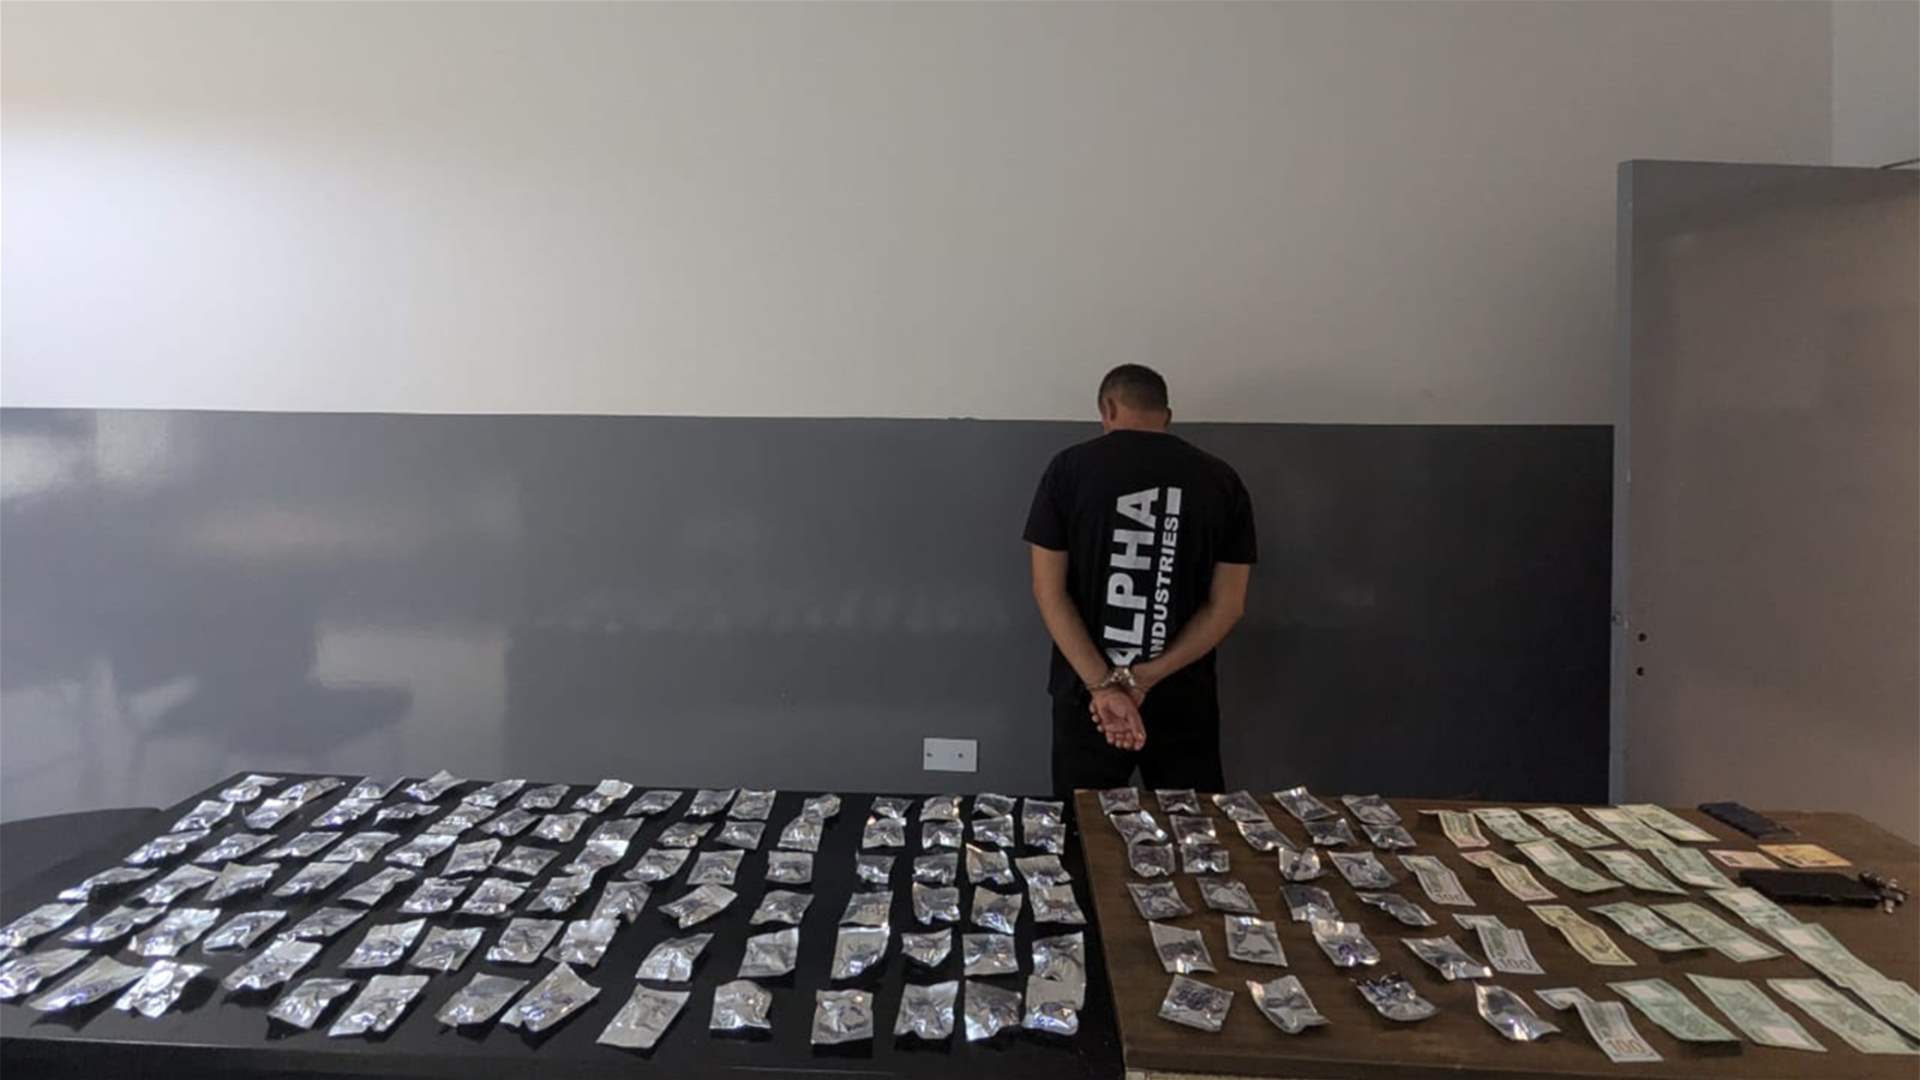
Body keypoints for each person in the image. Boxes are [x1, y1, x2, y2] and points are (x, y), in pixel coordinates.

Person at [1024, 364, 1257, 797]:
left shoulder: (1068, 470)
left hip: (1089, 699)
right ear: (1166, 416)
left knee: (1085, 825)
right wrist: (1144, 678)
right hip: (1181, 694)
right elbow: (1228, 605)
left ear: (1108, 409)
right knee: (1191, 828)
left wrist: (1103, 685)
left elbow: (1048, 591)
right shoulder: (1221, 479)